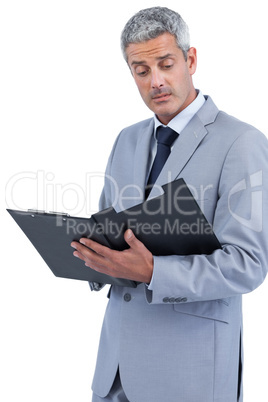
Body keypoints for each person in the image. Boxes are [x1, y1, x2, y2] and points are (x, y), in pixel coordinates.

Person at [71, 6, 268, 402]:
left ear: (190, 59)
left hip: (189, 373)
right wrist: (85, 254)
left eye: (166, 64)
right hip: (115, 369)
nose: (156, 81)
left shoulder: (241, 143)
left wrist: (153, 271)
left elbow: (248, 264)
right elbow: (110, 231)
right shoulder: (126, 139)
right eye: (141, 71)